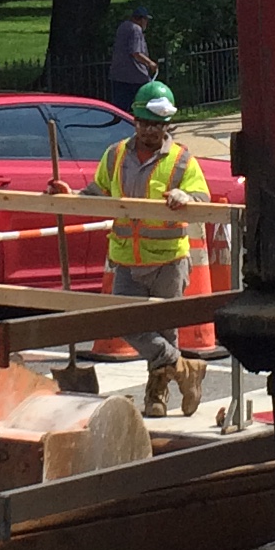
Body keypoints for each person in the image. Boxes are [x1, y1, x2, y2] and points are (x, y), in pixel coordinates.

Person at [93, 80, 212, 417]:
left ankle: (156, 397)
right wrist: (66, 192)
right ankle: (185, 369)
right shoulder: (116, 155)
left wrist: (185, 197)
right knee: (125, 321)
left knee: (163, 331)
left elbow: (202, 197)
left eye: (157, 125)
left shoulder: (181, 159)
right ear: (135, 121)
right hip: (127, 259)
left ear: (166, 126)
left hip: (168, 260)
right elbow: (97, 191)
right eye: (145, 123)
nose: (150, 130)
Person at [107, 0, 156, 111]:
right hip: (135, 76)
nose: (146, 23)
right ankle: (152, 125)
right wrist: (150, 63)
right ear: (141, 19)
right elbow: (136, 52)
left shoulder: (123, 26)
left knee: (120, 107)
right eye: (146, 20)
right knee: (146, 102)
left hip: (118, 74)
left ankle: (118, 125)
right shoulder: (136, 29)